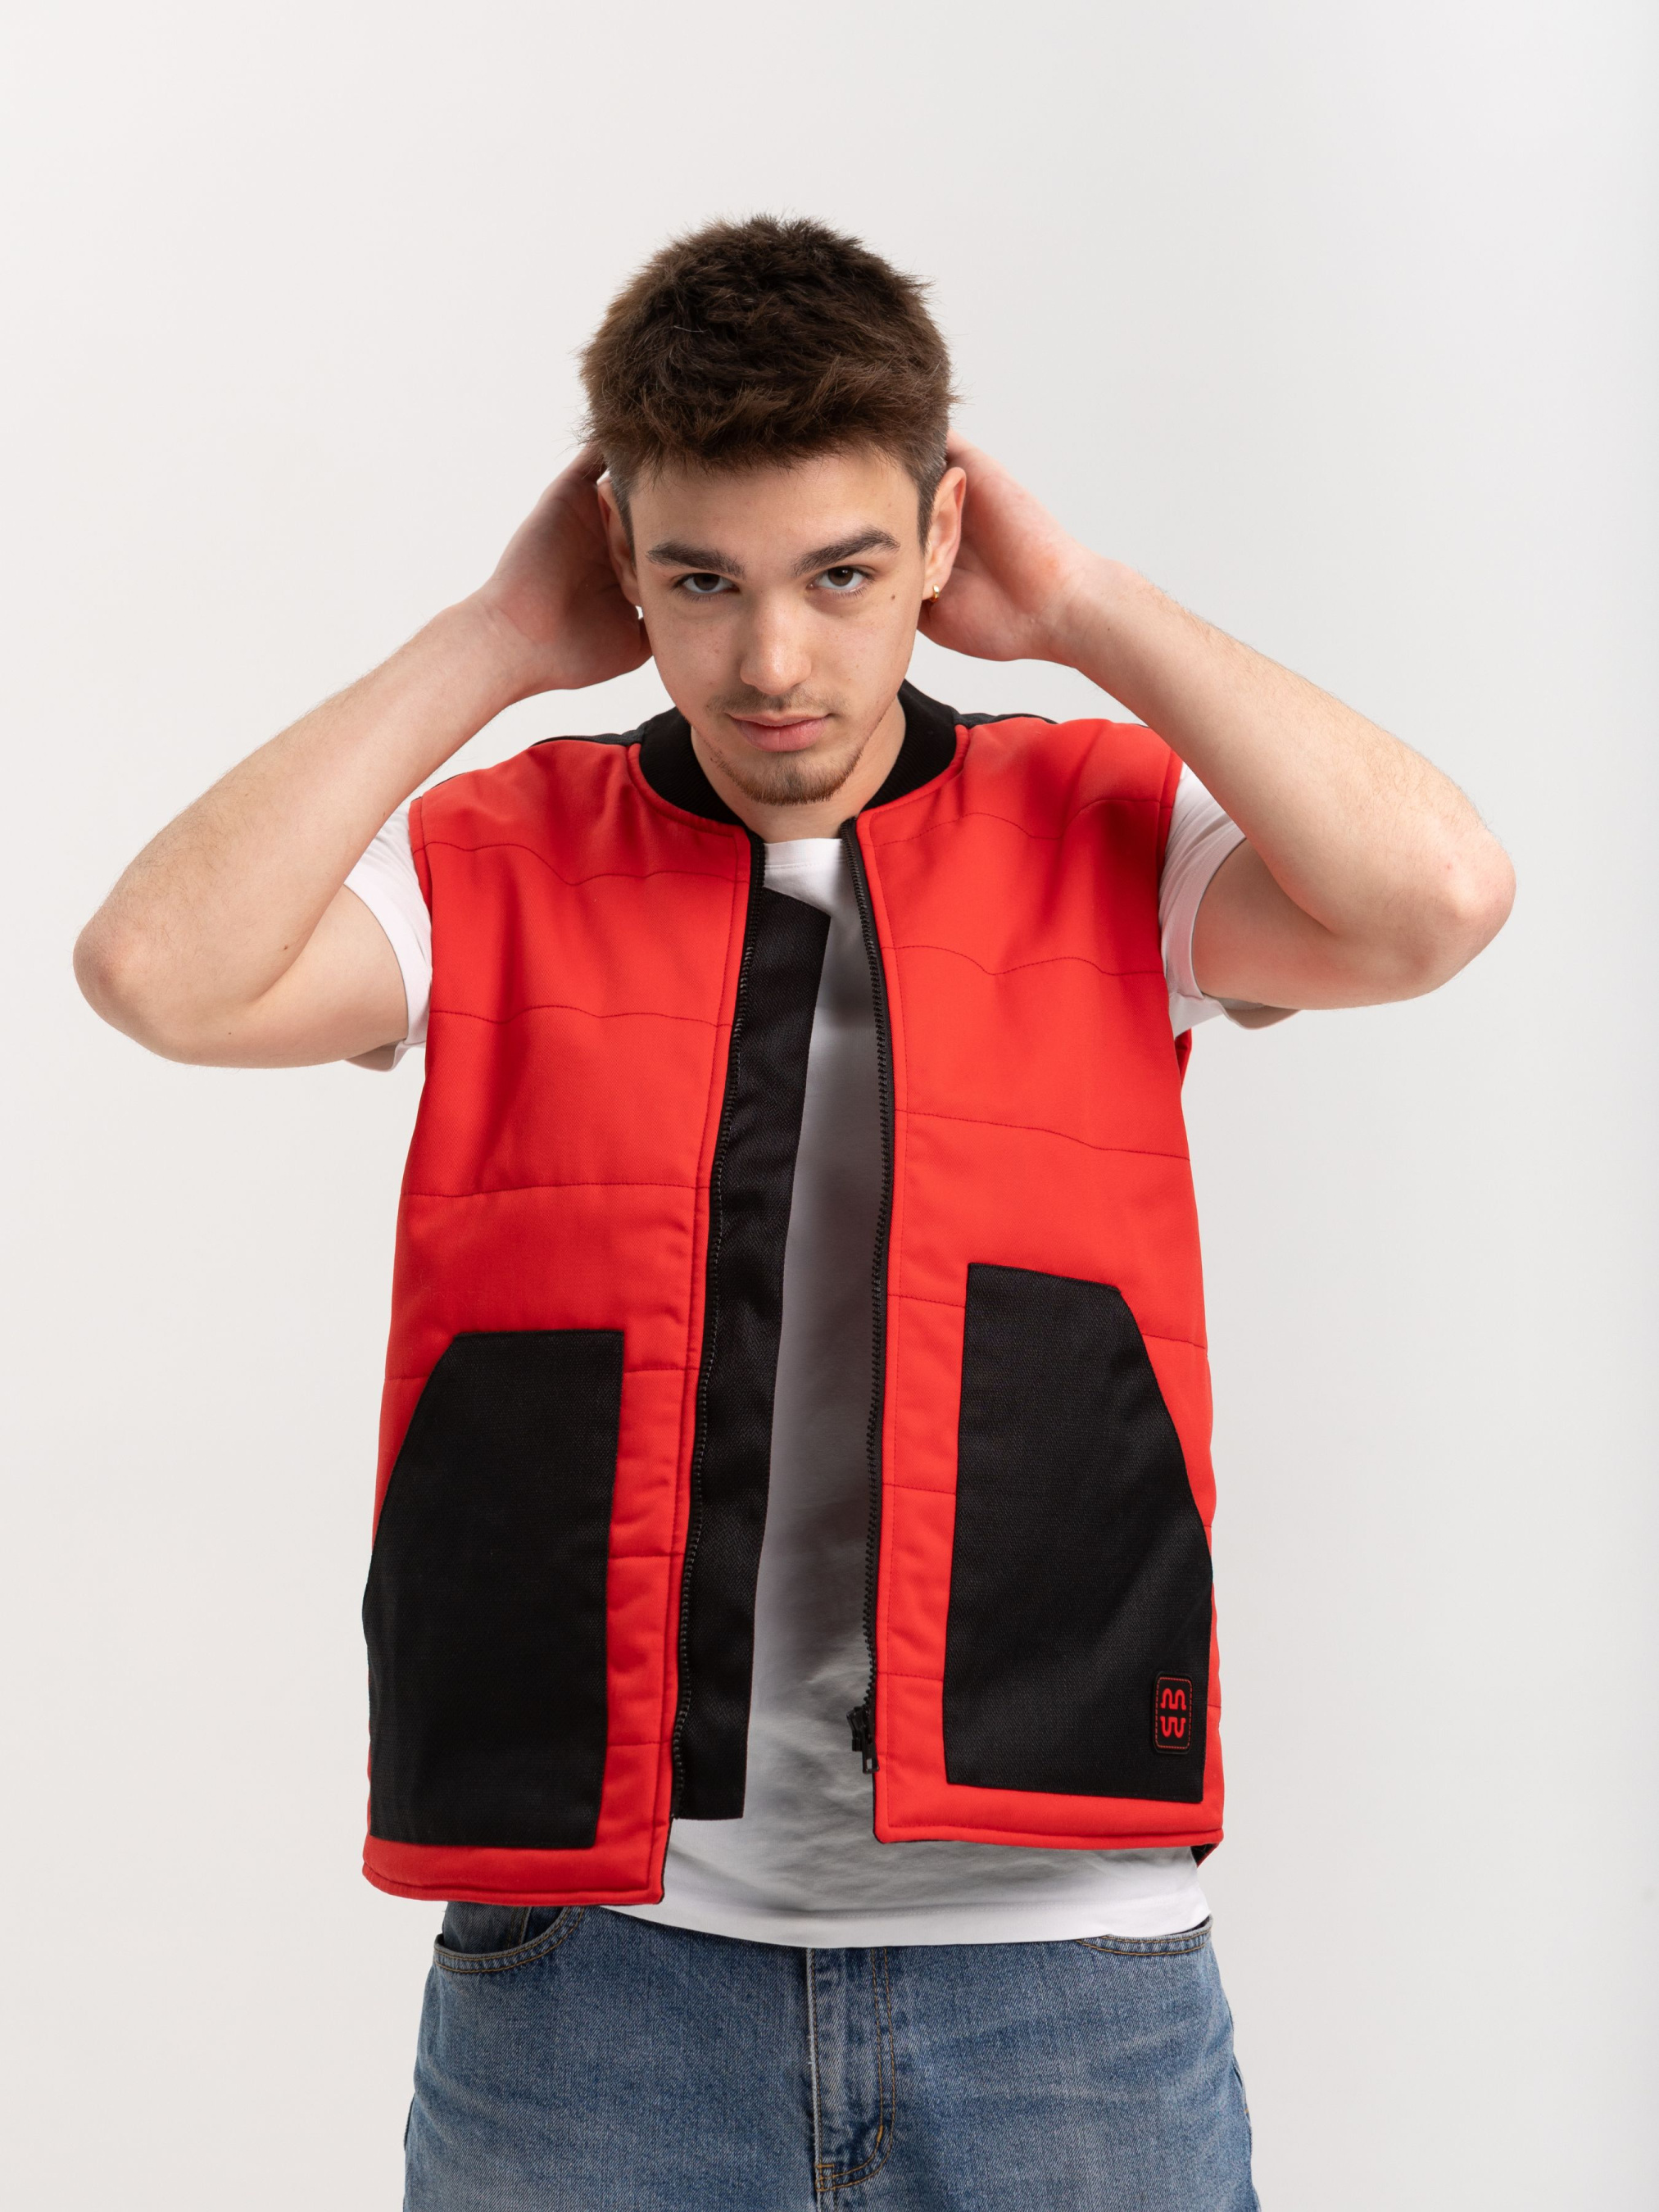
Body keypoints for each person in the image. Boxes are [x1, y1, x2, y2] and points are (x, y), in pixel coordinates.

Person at [74, 215, 1514, 2210]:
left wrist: (1081, 603)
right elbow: (158, 971)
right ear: (618, 563)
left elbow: (1433, 900)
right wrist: (491, 640)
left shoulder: (1104, 833)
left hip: (1062, 1976)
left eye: (840, 575)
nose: (770, 664)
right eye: (700, 582)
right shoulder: (499, 863)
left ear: (936, 541)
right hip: (595, 1977)